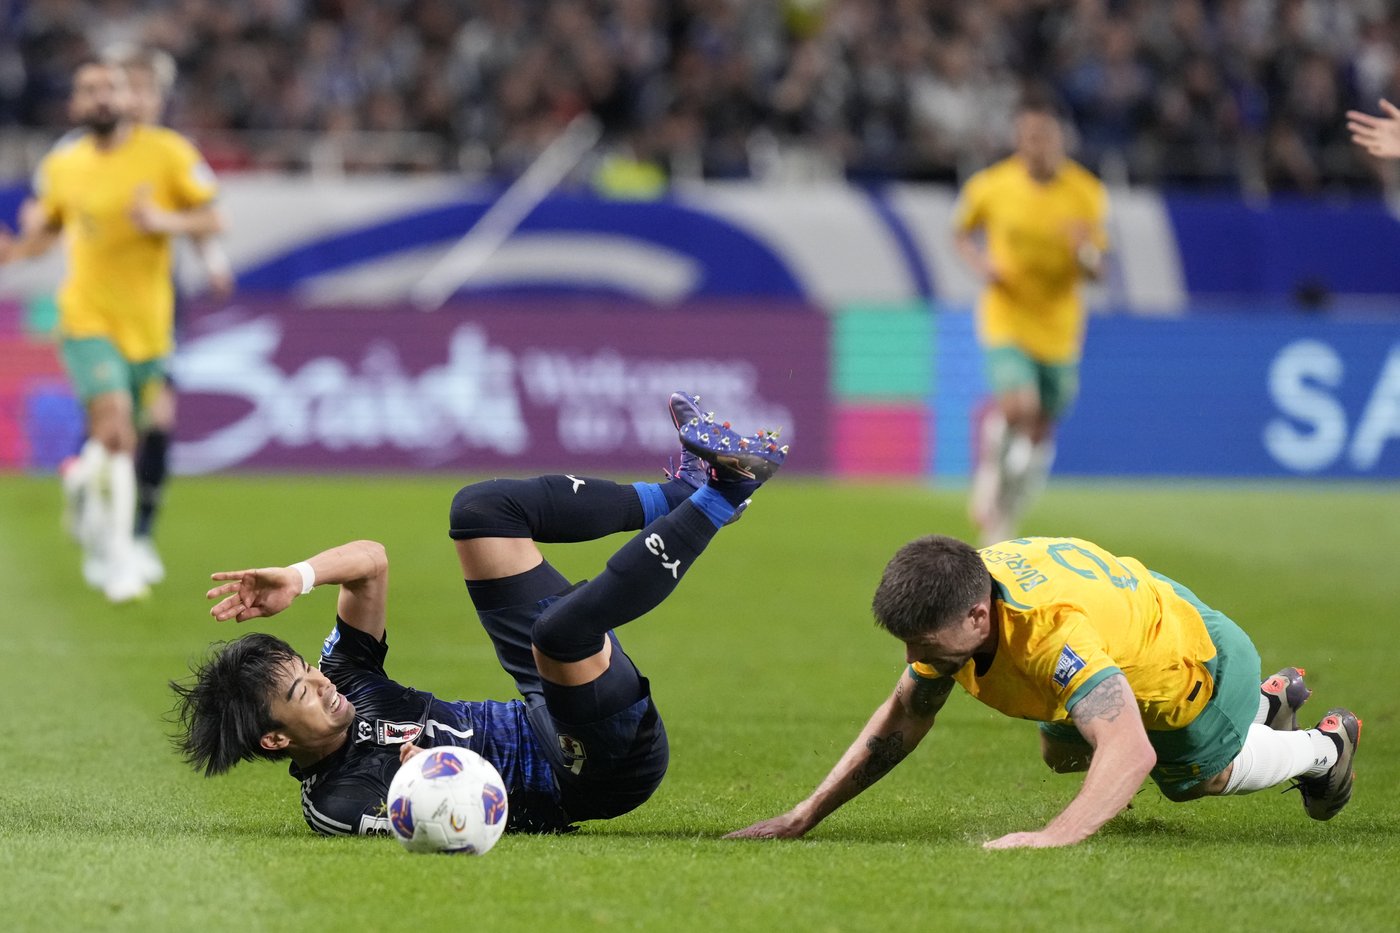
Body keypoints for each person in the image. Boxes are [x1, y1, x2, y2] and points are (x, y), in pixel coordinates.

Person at [170, 393, 787, 836]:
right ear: (276, 738)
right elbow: (454, 826)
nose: (323, 684)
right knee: (560, 632)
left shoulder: (348, 679)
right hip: (590, 772)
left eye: (309, 670)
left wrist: (298, 577)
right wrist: (426, 784)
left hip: (542, 705)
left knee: (481, 512)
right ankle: (725, 494)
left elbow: (371, 562)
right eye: (303, 690)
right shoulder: (339, 799)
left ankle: (679, 496)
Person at [727, 534, 1361, 849]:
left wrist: (1054, 835)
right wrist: (802, 816)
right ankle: (1265, 707)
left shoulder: (1050, 637)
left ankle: (1323, 748)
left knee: (1193, 777)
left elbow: (1129, 751)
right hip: (1140, 609)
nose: (914, 660)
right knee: (1061, 752)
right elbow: (902, 716)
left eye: (924, 644)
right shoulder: (963, 586)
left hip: (1193, 660)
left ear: (979, 617)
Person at [0, 58, 225, 602]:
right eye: (88, 89)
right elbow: (48, 229)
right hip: (86, 317)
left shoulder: (168, 153)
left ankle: (82, 488)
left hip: (149, 326)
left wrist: (165, 223)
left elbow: (214, 218)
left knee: (136, 433)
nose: (101, 97)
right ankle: (122, 557)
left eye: (110, 88)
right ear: (75, 104)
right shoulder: (64, 164)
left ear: (130, 97)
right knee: (118, 426)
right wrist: (14, 251)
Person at [953, 96, 1109, 546]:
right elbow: (959, 232)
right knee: (1018, 407)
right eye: (1026, 137)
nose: (1034, 145)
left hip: (1059, 325)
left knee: (1041, 426)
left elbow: (1098, 270)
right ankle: (989, 476)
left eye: (1043, 136)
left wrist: (1086, 251)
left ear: (1059, 139)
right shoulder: (992, 185)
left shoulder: (1086, 192)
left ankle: (1007, 512)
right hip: (1007, 315)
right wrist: (981, 265)